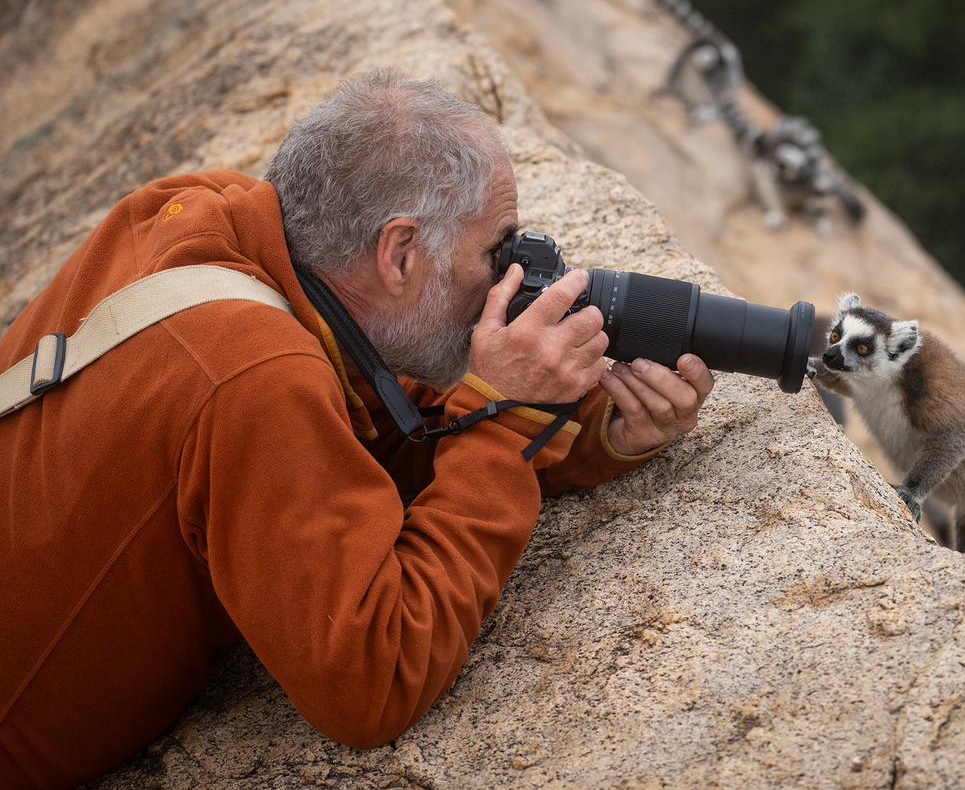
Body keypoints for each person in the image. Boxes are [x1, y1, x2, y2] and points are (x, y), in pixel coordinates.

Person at [0, 70, 713, 788]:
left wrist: (593, 428)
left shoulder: (194, 215)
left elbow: (358, 431)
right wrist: (504, 428)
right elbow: (374, 678)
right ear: (400, 253)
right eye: (496, 253)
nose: (508, 280)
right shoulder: (256, 379)